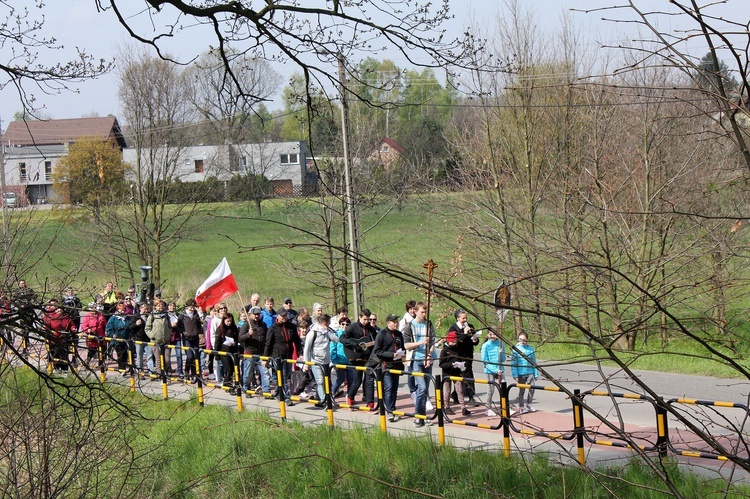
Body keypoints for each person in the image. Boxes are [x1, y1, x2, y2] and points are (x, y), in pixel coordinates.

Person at [402, 302, 435, 426]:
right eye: (422, 312)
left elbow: (432, 342)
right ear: (415, 311)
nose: (424, 314)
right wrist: (421, 342)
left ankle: (422, 416)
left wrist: (429, 355)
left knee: (425, 389)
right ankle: (418, 415)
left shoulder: (429, 324)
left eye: (425, 312)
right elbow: (407, 345)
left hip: (427, 360)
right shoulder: (409, 326)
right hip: (416, 360)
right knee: (421, 387)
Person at [263, 308, 302, 405]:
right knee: (283, 377)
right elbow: (268, 343)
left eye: (286, 315)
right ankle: (286, 397)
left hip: (288, 355)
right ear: (278, 316)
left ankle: (277, 392)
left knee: (286, 375)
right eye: (282, 316)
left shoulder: (291, 326)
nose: (284, 317)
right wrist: (265, 358)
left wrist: (300, 353)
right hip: (278, 356)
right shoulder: (273, 328)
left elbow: (297, 340)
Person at [341, 308, 377, 410]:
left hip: (368, 358)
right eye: (365, 319)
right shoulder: (352, 327)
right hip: (355, 357)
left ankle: (370, 402)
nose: (367, 322)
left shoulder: (371, 330)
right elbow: (342, 339)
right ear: (359, 317)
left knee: (369, 380)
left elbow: (376, 340)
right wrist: (355, 344)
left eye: (368, 320)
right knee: (357, 380)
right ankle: (350, 397)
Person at [374, 314, 406, 421]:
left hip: (397, 365)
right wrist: (391, 355)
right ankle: (390, 411)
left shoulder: (399, 334)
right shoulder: (382, 334)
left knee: (394, 389)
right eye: (394, 322)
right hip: (386, 365)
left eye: (396, 321)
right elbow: (377, 351)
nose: (396, 323)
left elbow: (402, 347)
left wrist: (402, 354)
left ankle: (392, 408)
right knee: (388, 388)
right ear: (388, 323)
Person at [304, 314, 339, 408]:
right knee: (320, 381)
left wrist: (328, 332)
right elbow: (306, 349)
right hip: (316, 361)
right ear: (324, 323)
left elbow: (336, 340)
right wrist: (306, 363)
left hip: (326, 361)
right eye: (328, 323)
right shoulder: (312, 333)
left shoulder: (327, 331)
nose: (329, 325)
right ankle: (324, 400)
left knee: (327, 381)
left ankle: (326, 398)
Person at [447, 309, 479, 404]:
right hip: (458, 355)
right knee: (461, 375)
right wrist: (464, 334)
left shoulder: (470, 327)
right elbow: (455, 343)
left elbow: (475, 341)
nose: (465, 320)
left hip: (468, 354)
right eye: (463, 318)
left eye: (466, 318)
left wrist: (475, 340)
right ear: (457, 318)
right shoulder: (453, 329)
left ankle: (466, 396)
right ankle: (466, 396)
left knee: (468, 374)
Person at [239, 306, 269, 396]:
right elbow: (240, 338)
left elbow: (266, 338)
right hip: (249, 353)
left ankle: (266, 391)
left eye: (258, 314)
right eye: (255, 314)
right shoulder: (246, 325)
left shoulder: (263, 325)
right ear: (250, 315)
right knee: (248, 374)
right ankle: (246, 389)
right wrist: (248, 334)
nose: (256, 316)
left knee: (265, 373)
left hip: (261, 353)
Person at [439, 331, 471, 416]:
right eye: (452, 341)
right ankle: (447, 407)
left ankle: (463, 407)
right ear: (448, 341)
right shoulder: (444, 350)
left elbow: (461, 358)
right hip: (447, 374)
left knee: (459, 390)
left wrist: (462, 364)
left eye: (455, 341)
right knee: (447, 391)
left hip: (456, 372)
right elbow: (441, 364)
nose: (454, 343)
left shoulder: (458, 348)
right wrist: (451, 365)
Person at [42, 299, 77, 372]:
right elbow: (47, 325)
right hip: (54, 340)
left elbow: (71, 325)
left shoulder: (66, 317)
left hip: (64, 339)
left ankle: (65, 369)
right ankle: (56, 368)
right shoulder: (51, 317)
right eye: (57, 310)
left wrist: (73, 328)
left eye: (60, 310)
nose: (59, 311)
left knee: (64, 355)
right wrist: (46, 328)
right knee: (55, 355)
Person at [510, 333, 539, 415]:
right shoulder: (515, 350)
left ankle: (529, 404)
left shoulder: (531, 349)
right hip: (520, 373)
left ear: (527, 340)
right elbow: (513, 363)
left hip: (530, 372)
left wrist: (536, 373)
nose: (522, 341)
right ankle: (521, 406)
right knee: (522, 390)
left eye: (524, 339)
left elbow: (534, 362)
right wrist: (515, 375)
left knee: (532, 388)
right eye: (520, 339)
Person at [177, 299, 203, 383]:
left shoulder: (196, 315)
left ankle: (194, 373)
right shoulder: (182, 316)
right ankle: (187, 371)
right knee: (190, 356)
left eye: (193, 307)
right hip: (187, 338)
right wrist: (183, 332)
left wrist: (198, 331)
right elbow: (179, 326)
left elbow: (199, 325)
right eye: (190, 307)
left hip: (195, 338)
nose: (192, 309)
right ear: (187, 307)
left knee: (196, 356)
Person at [481, 327, 505, 417]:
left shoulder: (500, 344)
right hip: (489, 370)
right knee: (491, 389)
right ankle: (488, 408)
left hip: (500, 368)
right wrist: (495, 370)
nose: (493, 336)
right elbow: (485, 361)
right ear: (487, 335)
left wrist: (501, 354)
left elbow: (503, 359)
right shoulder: (485, 345)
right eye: (491, 334)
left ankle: (504, 406)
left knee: (504, 386)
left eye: (495, 334)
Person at [105, 301, 133, 375]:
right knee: (120, 355)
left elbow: (129, 327)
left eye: (123, 310)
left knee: (125, 355)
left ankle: (123, 368)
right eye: (121, 310)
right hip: (117, 341)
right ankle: (121, 369)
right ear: (117, 310)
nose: (122, 311)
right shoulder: (113, 318)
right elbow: (108, 329)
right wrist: (112, 334)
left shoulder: (126, 318)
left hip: (125, 340)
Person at [145, 299, 170, 376]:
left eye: (162, 305)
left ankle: (165, 372)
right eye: (158, 305)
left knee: (167, 359)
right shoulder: (152, 316)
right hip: (155, 341)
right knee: (158, 359)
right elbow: (147, 328)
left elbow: (169, 326)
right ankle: (160, 375)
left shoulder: (166, 315)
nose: (160, 307)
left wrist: (168, 334)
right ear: (155, 307)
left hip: (165, 340)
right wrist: (152, 335)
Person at [214, 312, 239, 386]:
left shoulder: (234, 328)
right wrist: (217, 355)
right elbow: (217, 343)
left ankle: (231, 383)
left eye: (230, 321)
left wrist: (235, 342)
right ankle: (227, 384)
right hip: (223, 352)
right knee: (228, 369)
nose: (229, 323)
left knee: (233, 369)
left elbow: (237, 338)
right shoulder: (220, 329)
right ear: (224, 321)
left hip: (233, 351)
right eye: (227, 321)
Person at [80, 301, 107, 367]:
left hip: (100, 335)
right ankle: (87, 362)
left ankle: (101, 364)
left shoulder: (100, 315)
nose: (93, 310)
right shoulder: (87, 316)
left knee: (102, 351)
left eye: (94, 308)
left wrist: (106, 332)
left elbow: (105, 325)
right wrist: (87, 330)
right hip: (92, 336)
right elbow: (83, 325)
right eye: (92, 308)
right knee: (91, 351)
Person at [329, 316, 350, 398]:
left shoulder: (350, 335)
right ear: (340, 325)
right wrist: (334, 362)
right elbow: (332, 349)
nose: (345, 326)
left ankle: (350, 396)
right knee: (340, 379)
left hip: (349, 361)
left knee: (351, 379)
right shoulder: (336, 334)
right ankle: (332, 392)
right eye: (343, 324)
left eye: (347, 324)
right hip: (339, 361)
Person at [164, 301, 183, 377]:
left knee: (179, 354)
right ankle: (167, 369)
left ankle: (180, 371)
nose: (172, 307)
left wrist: (177, 325)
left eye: (173, 306)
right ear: (168, 307)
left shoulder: (178, 315)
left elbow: (181, 325)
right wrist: (170, 326)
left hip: (177, 337)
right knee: (167, 356)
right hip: (169, 337)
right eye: (170, 306)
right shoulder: (165, 315)